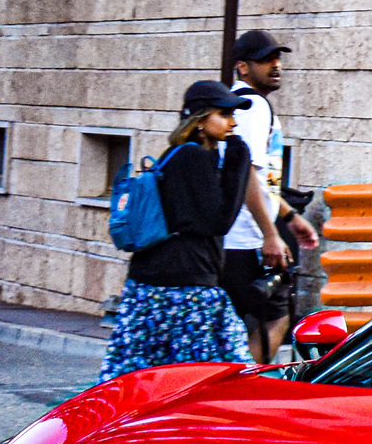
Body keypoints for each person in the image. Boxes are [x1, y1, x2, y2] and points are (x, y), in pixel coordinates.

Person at [99, 81, 259, 385]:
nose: (233, 123)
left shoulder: (177, 156)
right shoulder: (193, 158)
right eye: (224, 114)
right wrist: (239, 156)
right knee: (197, 383)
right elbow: (218, 221)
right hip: (185, 292)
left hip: (155, 287)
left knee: (140, 380)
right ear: (199, 119)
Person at [221, 29, 320, 359]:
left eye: (278, 59)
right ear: (243, 67)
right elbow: (246, 172)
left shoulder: (236, 104)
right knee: (275, 317)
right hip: (243, 238)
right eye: (265, 60)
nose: (276, 66)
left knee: (235, 322)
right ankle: (240, 390)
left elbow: (263, 182)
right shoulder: (253, 105)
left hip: (233, 237)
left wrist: (290, 218)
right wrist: (269, 235)